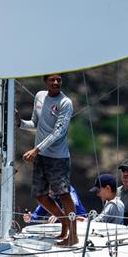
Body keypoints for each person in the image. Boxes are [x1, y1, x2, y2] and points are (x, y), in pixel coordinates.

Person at [18, 74, 78, 245]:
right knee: (40, 195)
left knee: (64, 194)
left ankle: (73, 236)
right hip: (41, 156)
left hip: (58, 157)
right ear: (45, 81)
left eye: (59, 80)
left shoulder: (65, 103)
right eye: (52, 79)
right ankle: (64, 221)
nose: (56, 82)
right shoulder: (39, 96)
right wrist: (19, 123)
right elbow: (35, 124)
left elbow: (59, 132)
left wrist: (36, 149)